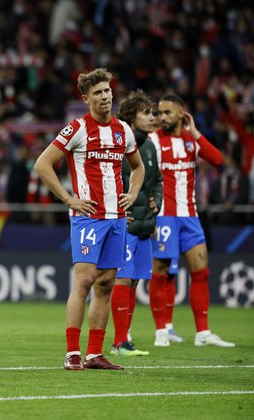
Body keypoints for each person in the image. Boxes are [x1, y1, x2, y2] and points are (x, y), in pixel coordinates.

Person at [34, 68, 144, 370]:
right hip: (88, 219)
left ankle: (94, 353)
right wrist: (69, 199)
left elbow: (138, 167)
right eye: (98, 93)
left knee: (106, 283)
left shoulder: (123, 129)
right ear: (86, 98)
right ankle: (72, 352)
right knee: (83, 280)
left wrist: (132, 194)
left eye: (108, 91)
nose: (105, 96)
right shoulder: (77, 129)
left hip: (117, 218)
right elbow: (43, 164)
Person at [149, 93, 234, 347]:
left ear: (181, 113)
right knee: (161, 272)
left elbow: (217, 160)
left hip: (190, 217)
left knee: (201, 271)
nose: (161, 117)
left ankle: (203, 333)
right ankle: (161, 331)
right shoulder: (153, 141)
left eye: (167, 112)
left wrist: (195, 132)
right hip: (164, 217)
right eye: (159, 112)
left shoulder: (190, 141)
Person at [109, 90, 162, 357]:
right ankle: (119, 342)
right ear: (131, 118)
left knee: (135, 282)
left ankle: (124, 338)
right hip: (125, 223)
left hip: (144, 224)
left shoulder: (151, 146)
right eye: (146, 113)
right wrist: (117, 209)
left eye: (152, 112)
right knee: (123, 278)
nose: (152, 117)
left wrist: (157, 205)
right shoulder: (119, 144)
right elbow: (109, 178)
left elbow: (156, 183)